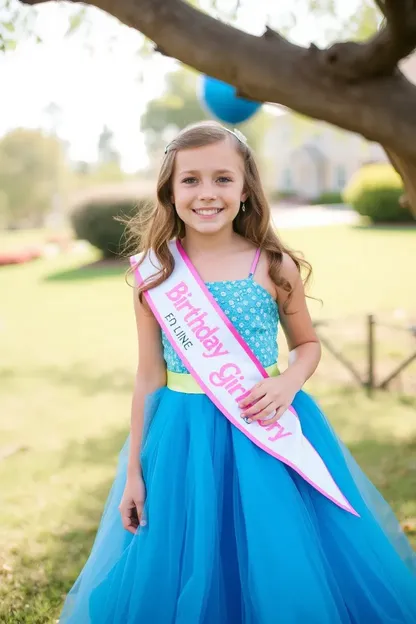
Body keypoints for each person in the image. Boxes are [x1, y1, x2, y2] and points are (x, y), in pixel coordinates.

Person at [60, 121, 416, 623]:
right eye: (191, 180)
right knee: (190, 547)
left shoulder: (273, 265)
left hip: (266, 430)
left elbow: (308, 346)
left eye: (223, 179)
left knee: (277, 549)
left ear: (246, 189)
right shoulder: (155, 275)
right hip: (181, 437)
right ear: (169, 191)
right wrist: (135, 471)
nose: (207, 193)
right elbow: (148, 376)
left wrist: (287, 381)